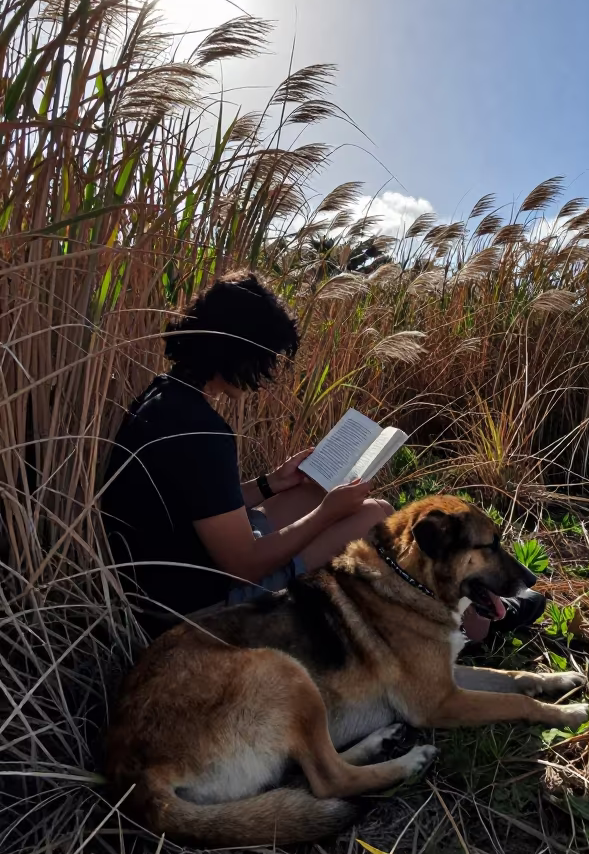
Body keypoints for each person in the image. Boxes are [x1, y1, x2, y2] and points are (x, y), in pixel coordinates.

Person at [102, 272, 392, 636]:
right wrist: (326, 514)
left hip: (160, 581)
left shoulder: (163, 397)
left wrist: (272, 483)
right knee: (374, 515)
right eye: (265, 357)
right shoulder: (203, 431)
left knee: (311, 491)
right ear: (238, 351)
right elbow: (244, 566)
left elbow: (198, 505)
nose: (266, 374)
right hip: (191, 612)